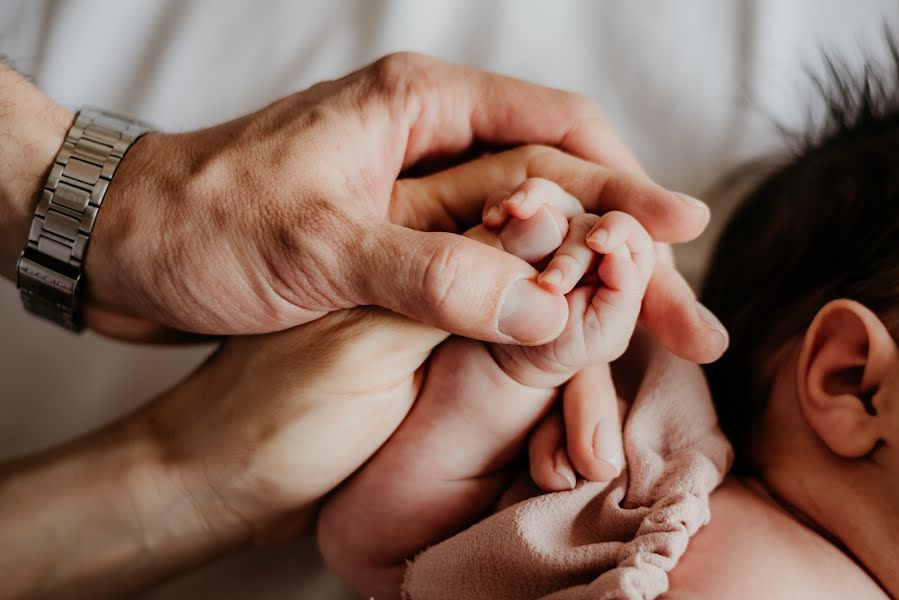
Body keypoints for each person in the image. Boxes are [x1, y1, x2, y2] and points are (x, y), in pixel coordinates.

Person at [0, 53, 725, 598]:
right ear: (841, 377)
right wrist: (519, 366)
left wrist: (97, 200)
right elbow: (378, 544)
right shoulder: (658, 450)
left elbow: (373, 560)